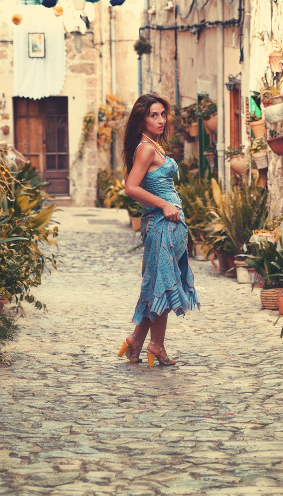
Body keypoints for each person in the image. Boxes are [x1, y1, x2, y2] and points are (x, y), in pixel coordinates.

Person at [116, 94, 199, 367]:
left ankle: (137, 341)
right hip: (161, 226)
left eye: (163, 114)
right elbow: (131, 187)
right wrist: (164, 203)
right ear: (142, 118)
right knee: (162, 285)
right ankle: (156, 345)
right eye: (154, 115)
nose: (161, 120)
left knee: (157, 283)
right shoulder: (146, 149)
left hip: (168, 226)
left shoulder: (152, 145)